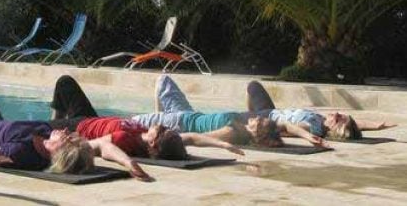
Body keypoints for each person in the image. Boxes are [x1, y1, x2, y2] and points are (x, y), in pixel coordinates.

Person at [0, 75, 151, 180]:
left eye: (66, 138)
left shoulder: (21, 153)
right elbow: (103, 146)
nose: (67, 131)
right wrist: (129, 164)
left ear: (56, 152)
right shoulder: (46, 138)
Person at [48, 75, 245, 159]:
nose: (162, 126)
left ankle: (53, 123)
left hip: (80, 127)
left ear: (152, 143)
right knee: (65, 82)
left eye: (161, 131)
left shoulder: (127, 140)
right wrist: (223, 145)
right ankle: (55, 118)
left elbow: (102, 146)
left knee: (40, 127)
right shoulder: (149, 136)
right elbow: (192, 137)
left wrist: (129, 163)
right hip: (92, 118)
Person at [131, 75, 285, 148]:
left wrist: (163, 137)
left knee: (128, 123)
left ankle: (159, 121)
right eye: (260, 118)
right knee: (163, 79)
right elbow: (285, 126)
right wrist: (305, 133)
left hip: (178, 123)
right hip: (187, 113)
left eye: (259, 122)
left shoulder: (234, 132)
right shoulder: (242, 125)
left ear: (258, 135)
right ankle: (159, 117)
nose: (257, 118)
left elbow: (195, 138)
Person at [246, 80, 397, 141]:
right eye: (342, 115)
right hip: (270, 111)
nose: (337, 114)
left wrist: (261, 128)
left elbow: (286, 130)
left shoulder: (314, 127)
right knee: (253, 86)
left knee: (252, 86)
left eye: (338, 119)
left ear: (332, 130)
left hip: (266, 117)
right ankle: (251, 113)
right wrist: (378, 125)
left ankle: (250, 114)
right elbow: (358, 124)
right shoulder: (322, 121)